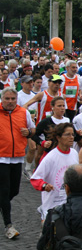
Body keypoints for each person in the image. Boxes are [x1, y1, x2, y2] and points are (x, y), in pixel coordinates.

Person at [0, 88, 35, 238]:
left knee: (14, 191)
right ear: (2, 99)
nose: (10, 102)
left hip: (17, 156)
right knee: (5, 190)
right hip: (1, 157)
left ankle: (2, 203)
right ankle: (8, 225)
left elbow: (33, 129)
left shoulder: (23, 112)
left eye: (13, 99)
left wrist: (29, 133)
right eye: (7, 99)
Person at [30, 123, 80, 221]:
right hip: (52, 205)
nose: (71, 137)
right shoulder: (50, 157)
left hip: (69, 204)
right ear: (58, 137)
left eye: (72, 134)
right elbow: (35, 179)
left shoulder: (74, 153)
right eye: (67, 134)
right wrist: (44, 186)